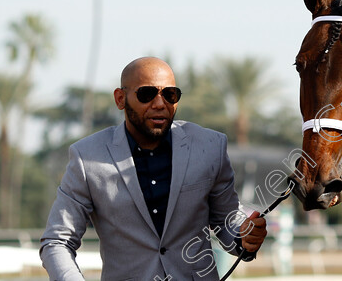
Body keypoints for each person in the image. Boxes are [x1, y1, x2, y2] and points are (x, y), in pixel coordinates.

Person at [40, 57, 266, 281]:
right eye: (147, 94)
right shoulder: (87, 158)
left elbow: (226, 220)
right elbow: (57, 242)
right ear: (120, 99)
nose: (160, 104)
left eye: (170, 94)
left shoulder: (211, 147)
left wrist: (243, 237)